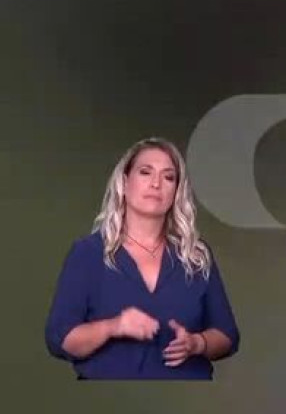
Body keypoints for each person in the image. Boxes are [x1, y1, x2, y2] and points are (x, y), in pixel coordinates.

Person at [44, 137, 241, 380]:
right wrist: (113, 327)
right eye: (145, 172)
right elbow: (59, 339)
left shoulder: (196, 256)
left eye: (168, 177)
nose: (156, 183)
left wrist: (197, 343)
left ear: (176, 193)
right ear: (125, 183)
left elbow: (227, 336)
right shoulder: (88, 253)